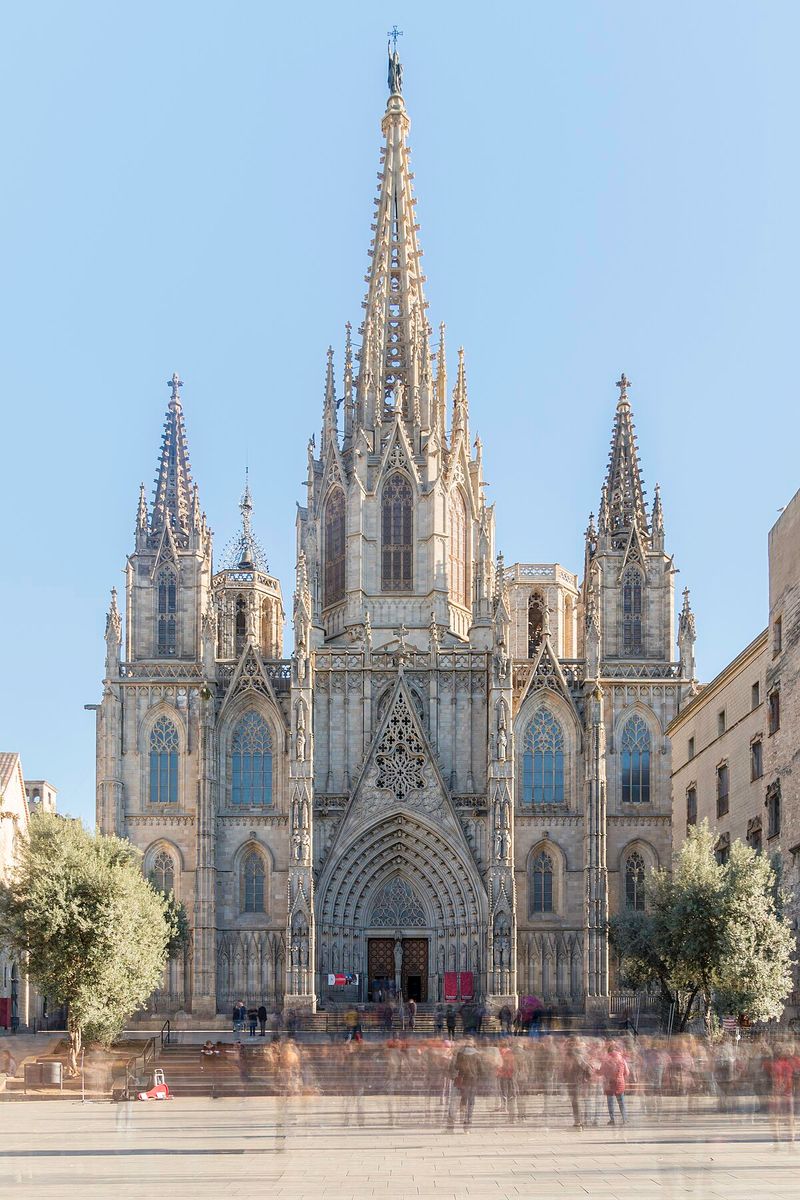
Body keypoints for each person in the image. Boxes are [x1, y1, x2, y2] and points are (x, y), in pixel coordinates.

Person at [601, 1041, 630, 1125]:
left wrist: (595, 1071)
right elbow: (627, 1072)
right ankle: (624, 1119)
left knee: (610, 1102)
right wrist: (621, 1076)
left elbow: (601, 1071)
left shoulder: (605, 1059)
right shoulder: (622, 1059)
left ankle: (612, 1119)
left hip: (609, 1083)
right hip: (619, 1083)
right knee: (621, 1102)